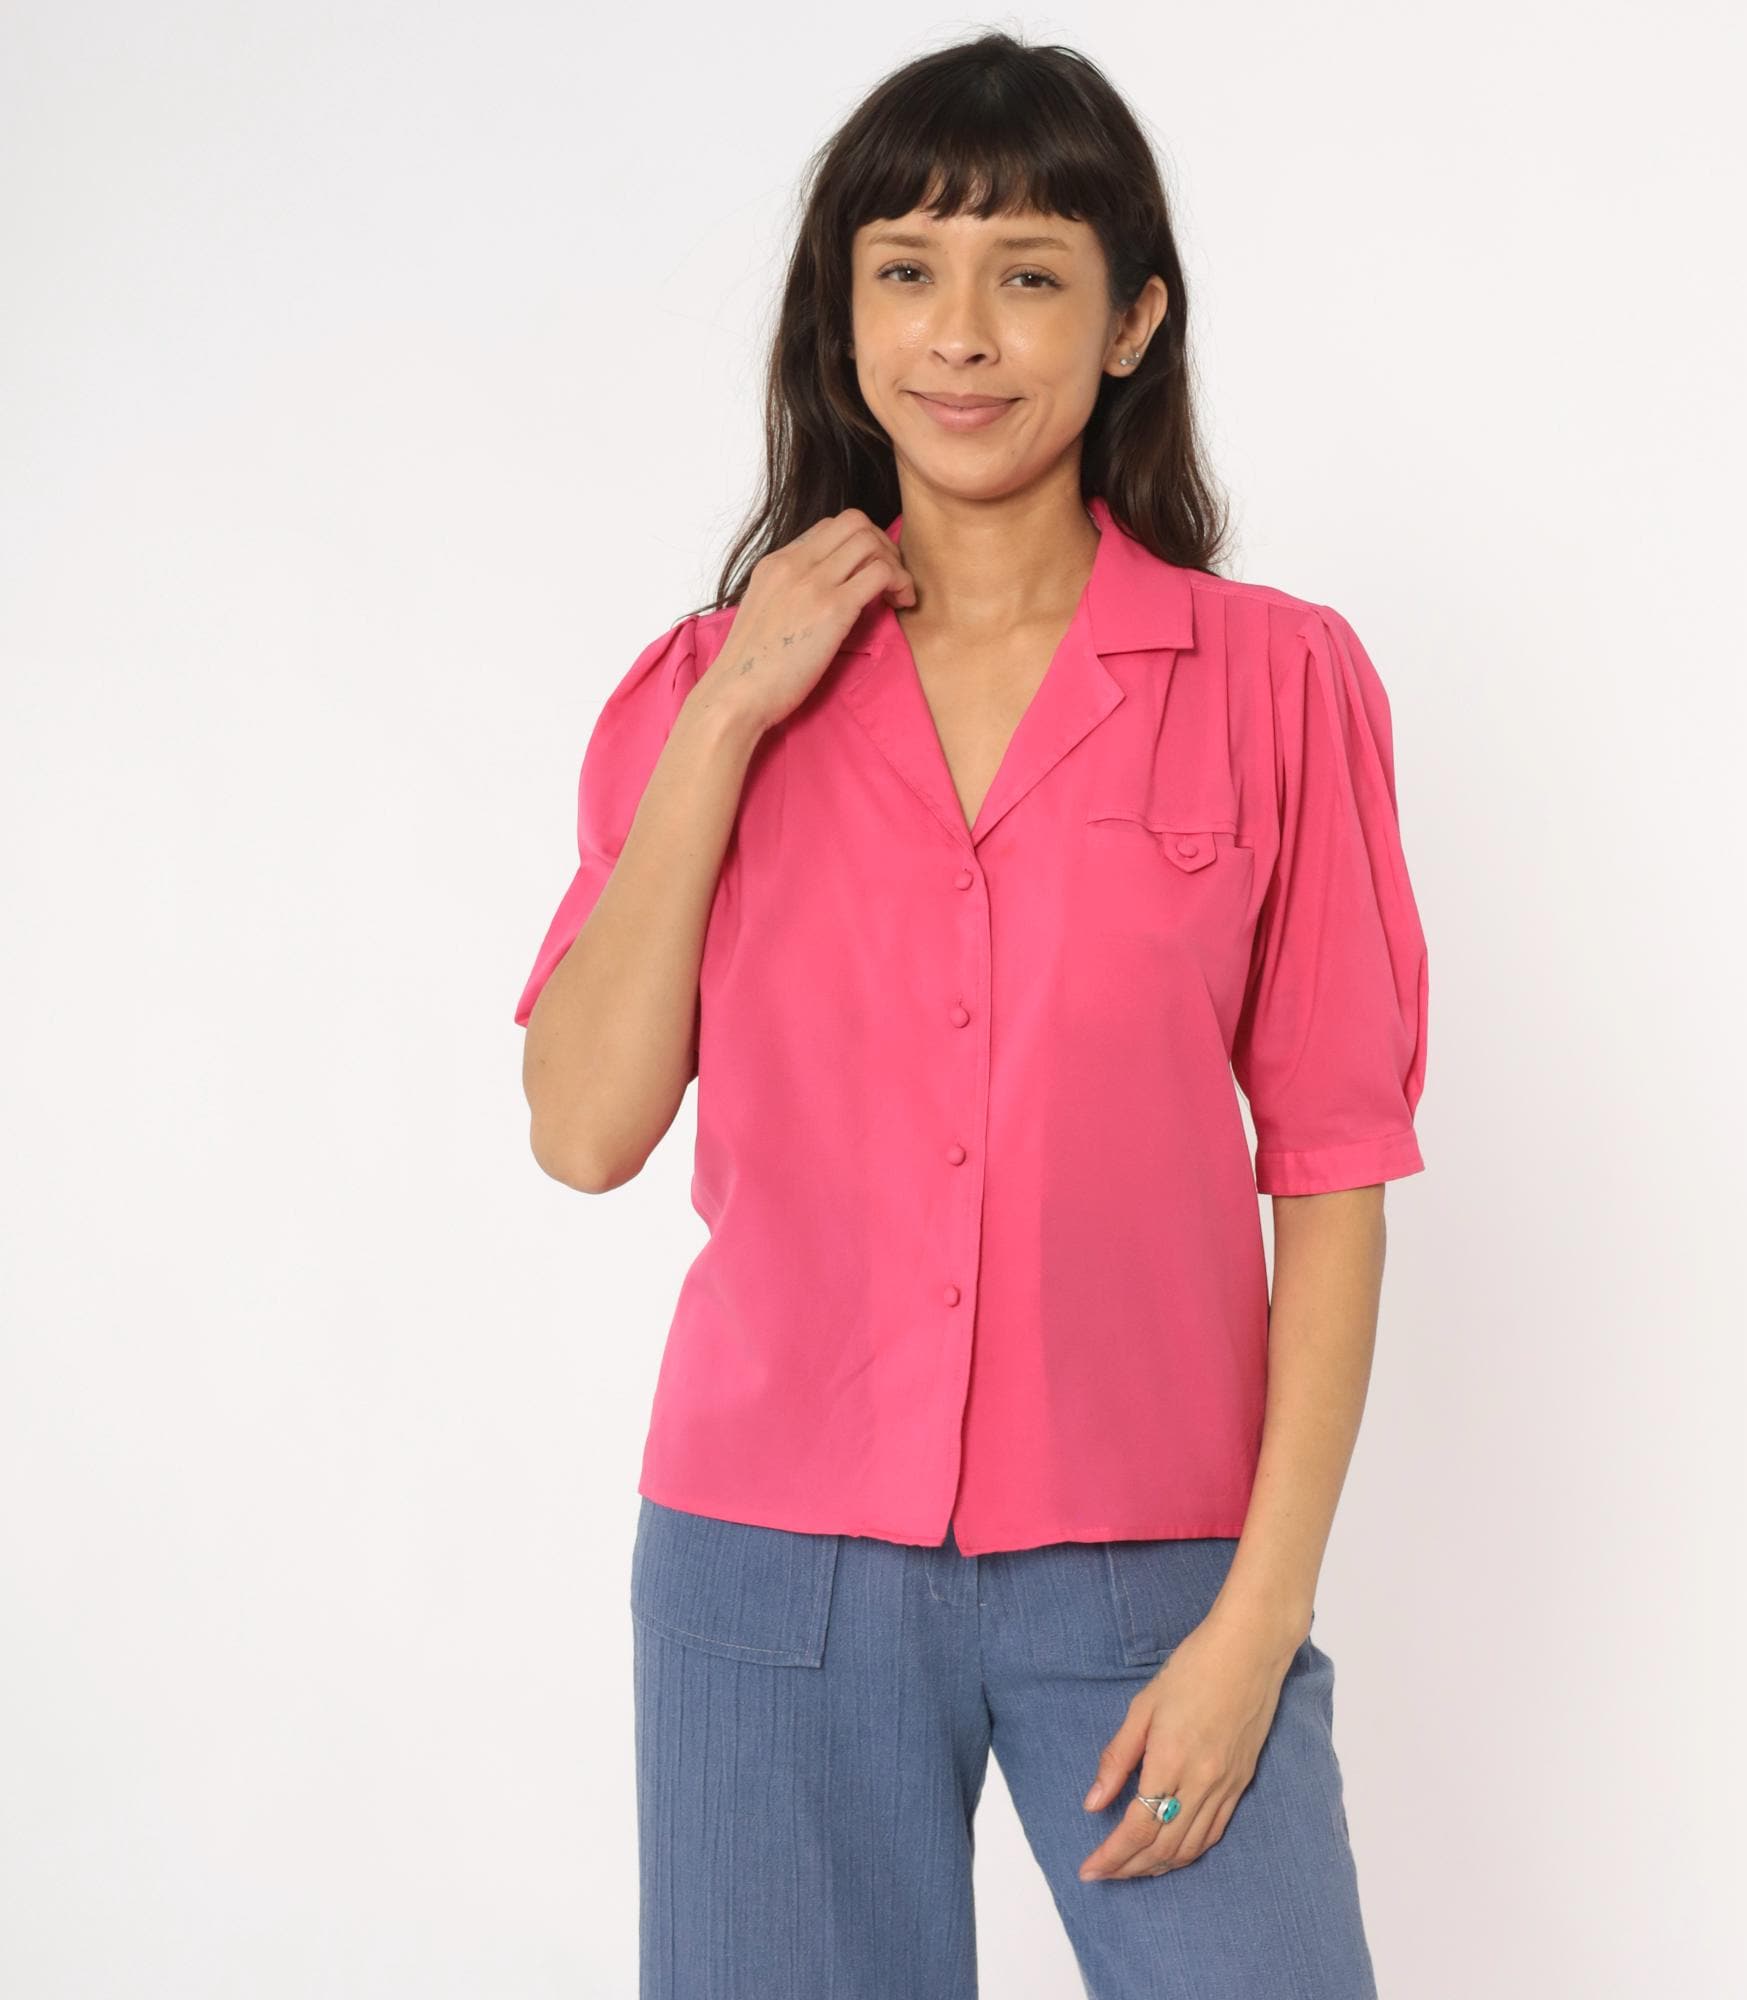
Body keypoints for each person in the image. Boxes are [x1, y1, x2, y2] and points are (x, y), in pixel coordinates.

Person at [513, 31, 1428, 2000]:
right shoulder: (701, 691)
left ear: (1131, 320)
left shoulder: (1275, 686)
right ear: (841, 319)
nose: (963, 333)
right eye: (907, 270)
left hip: (1157, 1567)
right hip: (772, 1568)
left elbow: (1335, 1173)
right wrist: (732, 713)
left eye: (1028, 273)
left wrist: (1259, 1619)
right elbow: (583, 1128)